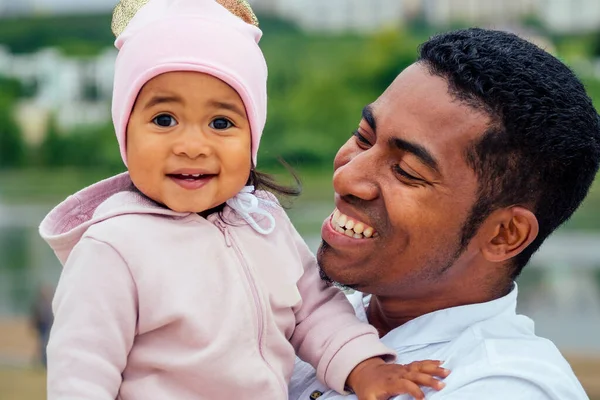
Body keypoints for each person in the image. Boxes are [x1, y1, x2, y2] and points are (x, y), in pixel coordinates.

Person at [38, 0, 449, 399]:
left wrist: (365, 367)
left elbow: (315, 311)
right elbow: (81, 370)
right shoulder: (113, 248)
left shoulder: (262, 221)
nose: (193, 145)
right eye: (164, 120)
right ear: (125, 131)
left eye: (221, 122)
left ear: (252, 137)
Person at [289, 28, 600, 400]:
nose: (346, 177)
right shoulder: (306, 311)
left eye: (407, 172)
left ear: (504, 234)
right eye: (363, 137)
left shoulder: (502, 384)